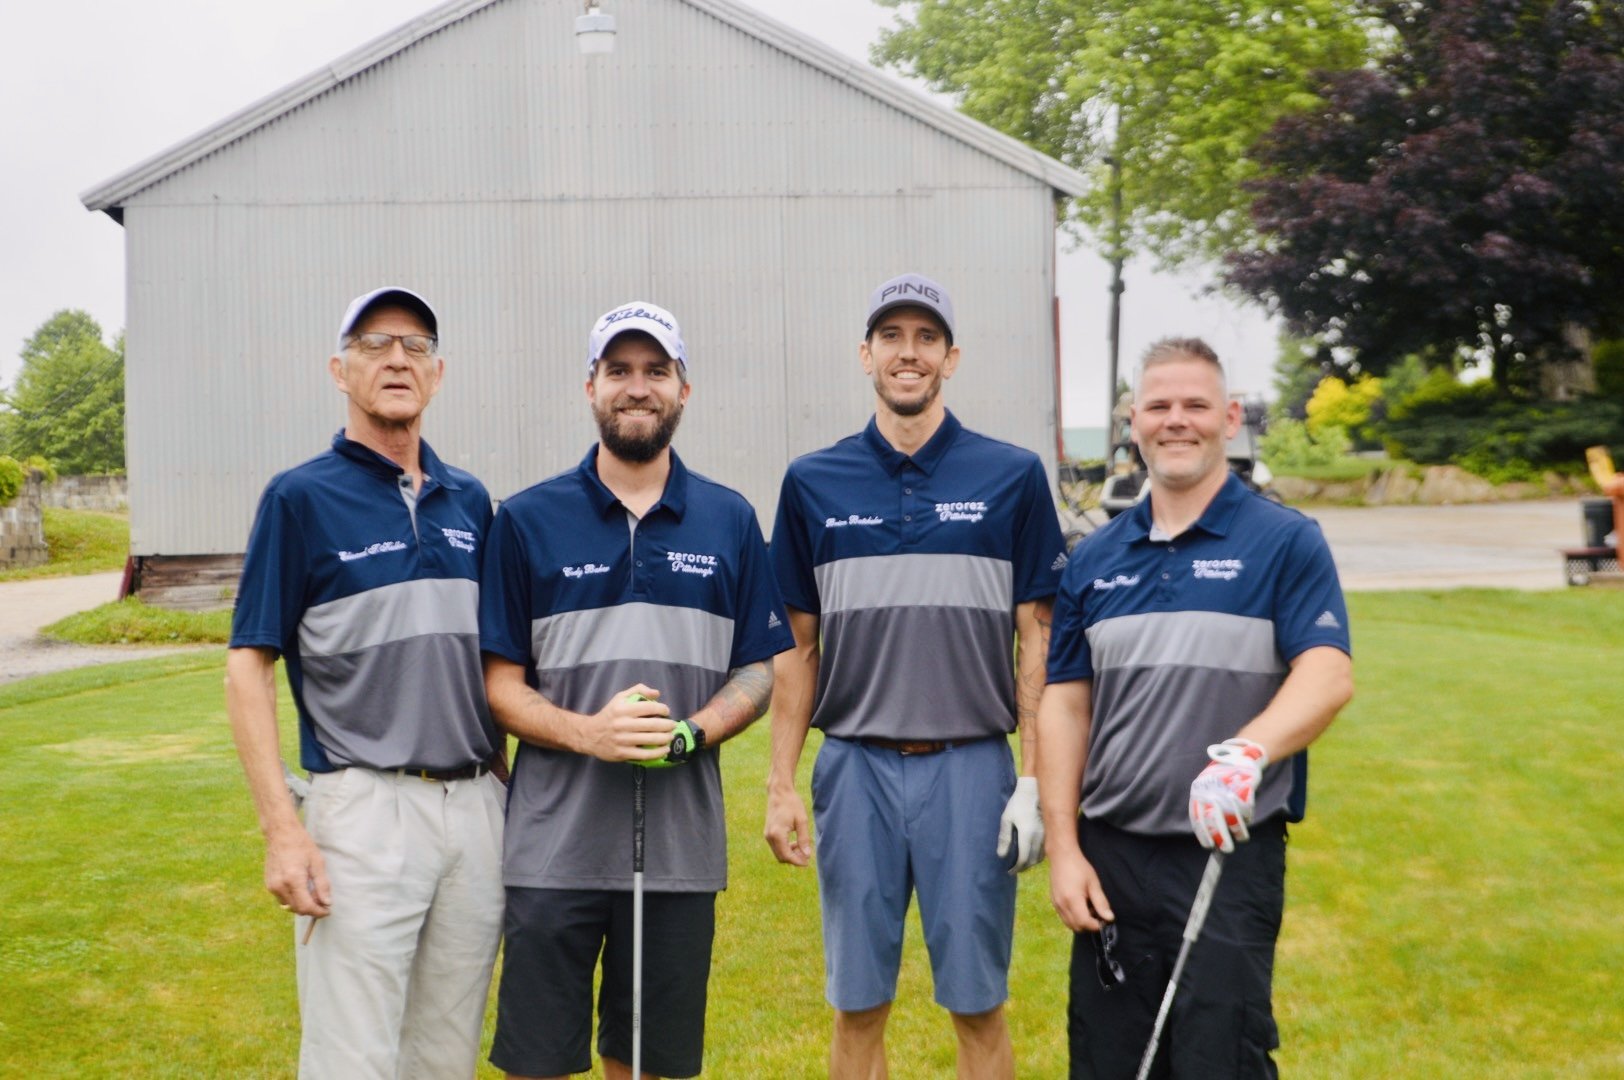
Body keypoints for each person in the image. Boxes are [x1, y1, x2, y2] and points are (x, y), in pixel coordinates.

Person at [479, 300, 794, 1080]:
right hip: (551, 850)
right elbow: (498, 685)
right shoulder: (526, 521)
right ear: (591, 386)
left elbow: (760, 668)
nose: (637, 386)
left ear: (684, 389)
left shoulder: (728, 519)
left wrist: (693, 732)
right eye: (618, 369)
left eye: (656, 370)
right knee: (537, 1066)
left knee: (649, 1064)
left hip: (679, 855)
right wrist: (589, 733)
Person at [765, 273, 1067, 1078]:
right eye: (892, 337)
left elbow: (1036, 641)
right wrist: (781, 784)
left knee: (978, 1003)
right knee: (857, 1003)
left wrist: (1032, 781)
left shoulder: (1012, 476)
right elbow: (796, 648)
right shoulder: (811, 482)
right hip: (854, 768)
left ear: (951, 358)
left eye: (926, 338)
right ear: (865, 354)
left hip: (971, 770)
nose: (909, 353)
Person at [1037, 337, 1354, 1078]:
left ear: (1230, 418)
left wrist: (1248, 751)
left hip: (1227, 856)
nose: (1176, 420)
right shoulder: (1094, 558)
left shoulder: (1285, 541)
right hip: (1111, 856)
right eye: (1158, 406)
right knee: (1111, 1059)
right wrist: (1064, 848)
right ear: (1133, 421)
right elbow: (1065, 706)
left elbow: (1327, 672)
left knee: (1219, 1058)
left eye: (1195, 405)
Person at [225, 286, 506, 1079]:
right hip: (364, 809)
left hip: (476, 808)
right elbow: (248, 665)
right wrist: (283, 830)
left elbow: (492, 663)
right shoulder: (300, 498)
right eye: (374, 344)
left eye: (415, 346)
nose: (396, 360)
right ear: (338, 370)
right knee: (352, 1058)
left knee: (445, 1057)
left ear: (437, 374)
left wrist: (504, 785)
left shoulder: (470, 501)